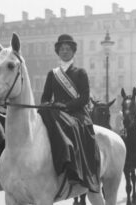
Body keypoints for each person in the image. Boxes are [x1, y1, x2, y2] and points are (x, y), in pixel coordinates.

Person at [39, 34, 100, 193]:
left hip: (76, 113)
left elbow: (84, 98)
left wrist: (65, 106)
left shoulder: (80, 72)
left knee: (71, 126)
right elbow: (45, 97)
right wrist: (48, 105)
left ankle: (74, 169)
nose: (64, 52)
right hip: (56, 112)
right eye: (62, 49)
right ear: (57, 52)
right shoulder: (52, 74)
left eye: (68, 49)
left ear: (73, 52)